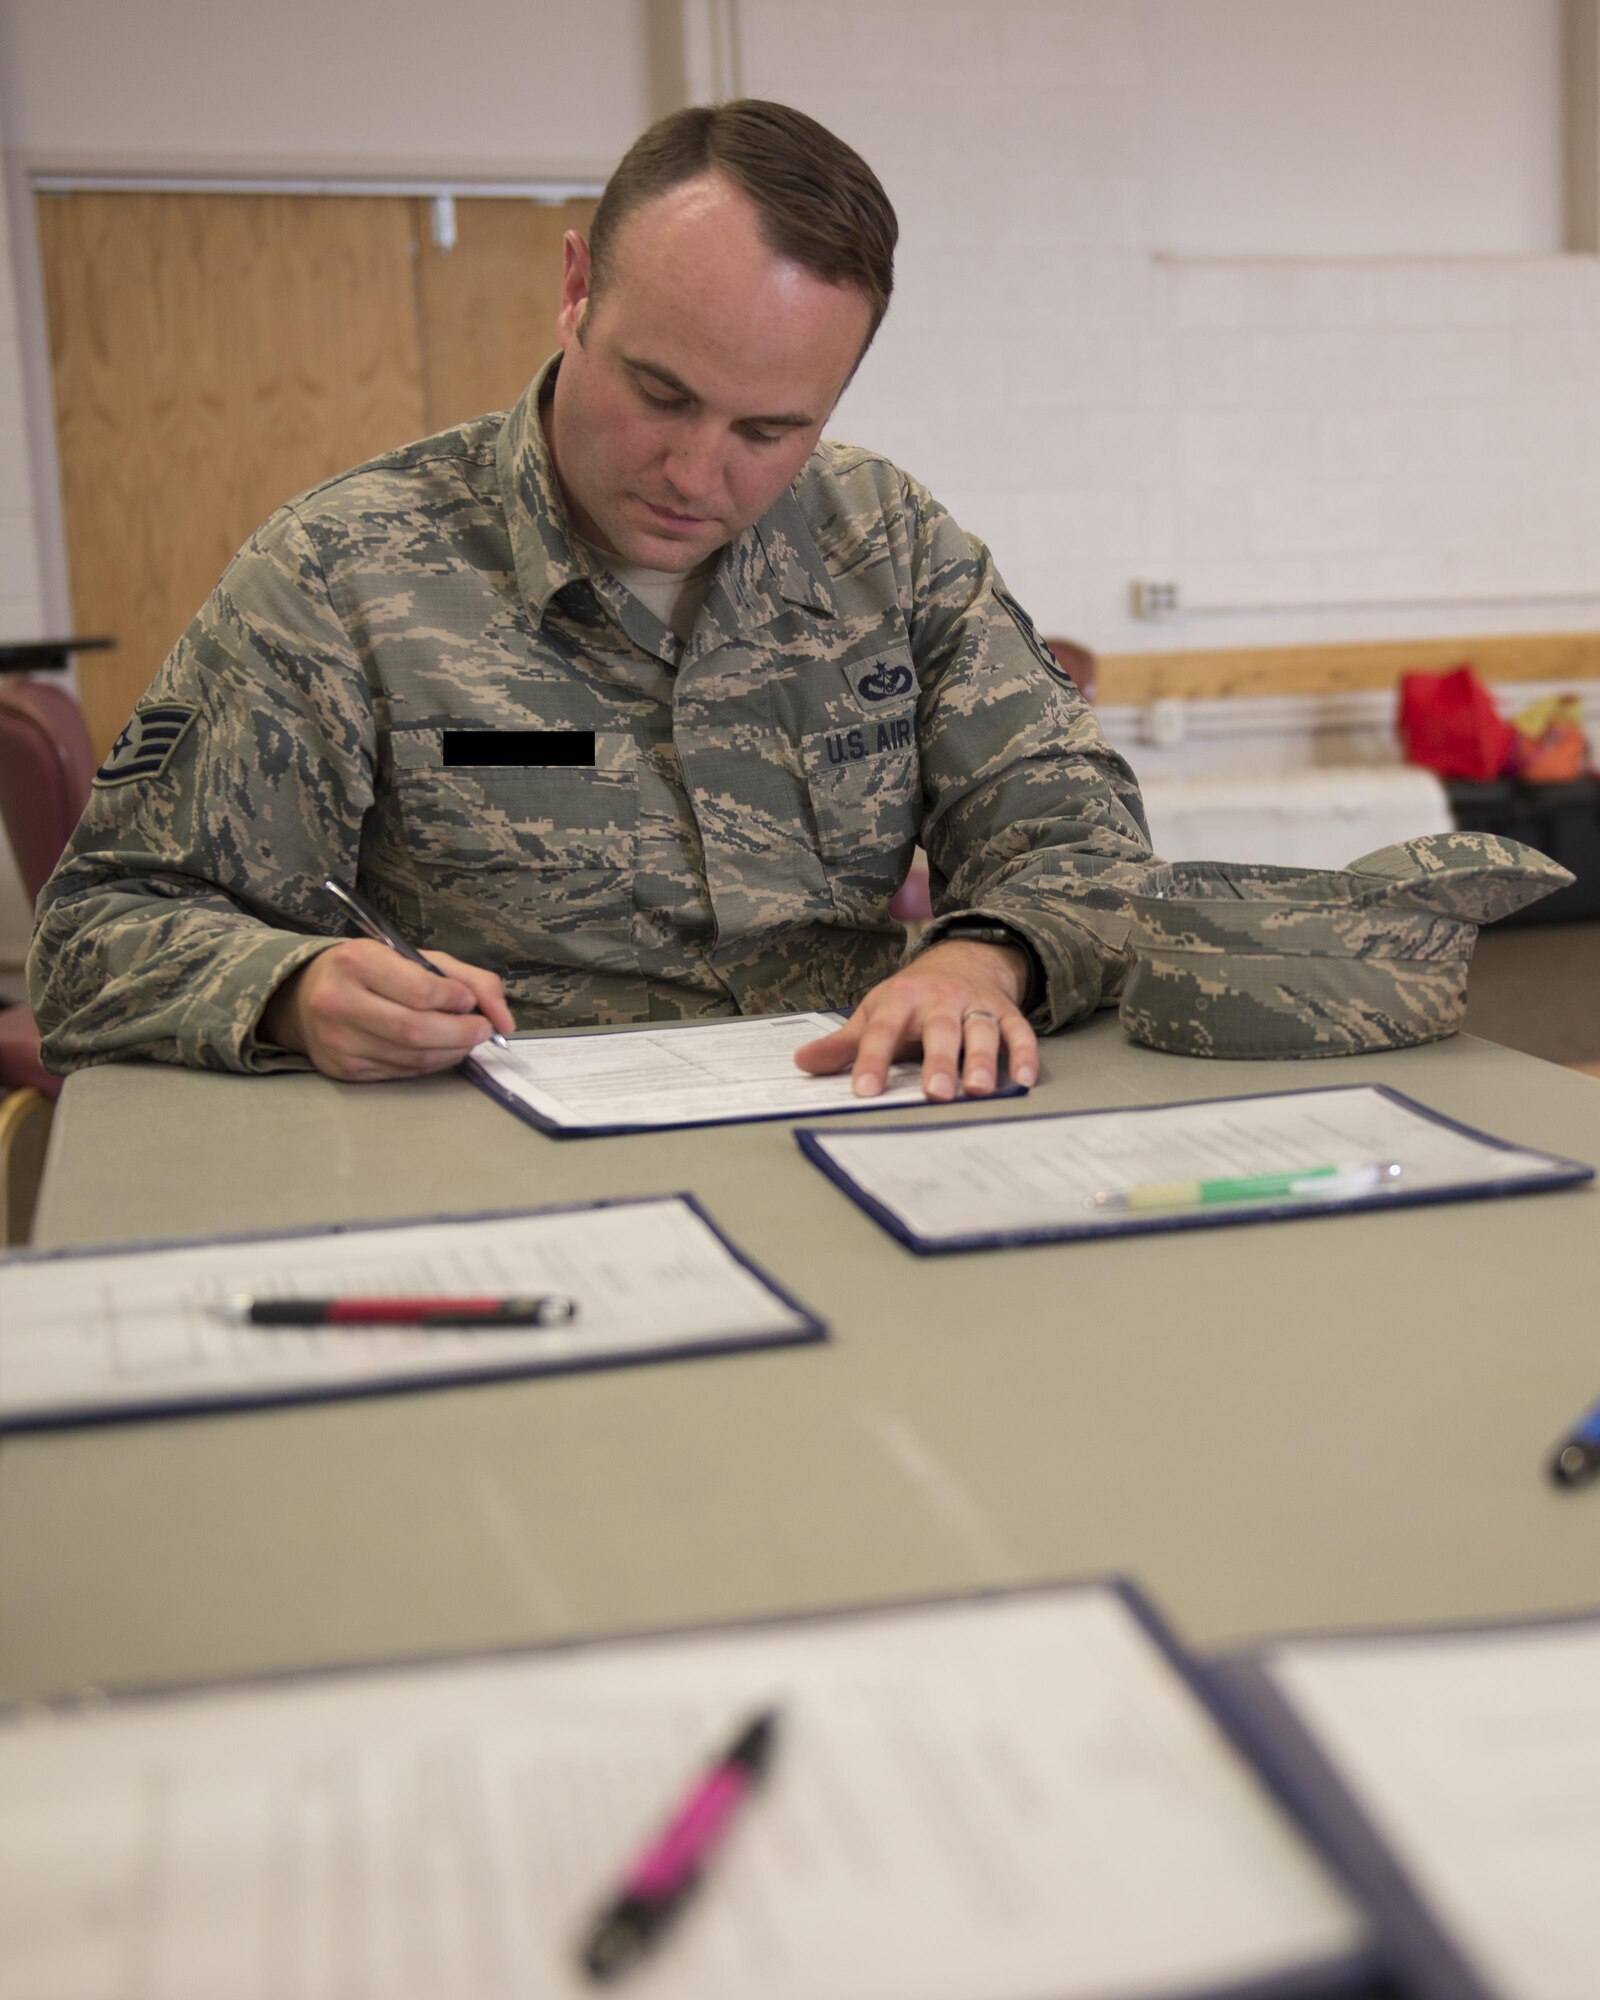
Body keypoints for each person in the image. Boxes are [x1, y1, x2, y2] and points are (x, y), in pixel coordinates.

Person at [30, 100, 1151, 1102]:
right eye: (660, 393)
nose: (696, 474)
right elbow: (94, 935)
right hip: (496, 1164)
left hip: (843, 1119)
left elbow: (1086, 847)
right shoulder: (343, 572)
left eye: (770, 431)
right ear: (575, 292)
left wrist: (979, 957)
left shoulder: (887, 547)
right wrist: (293, 985)